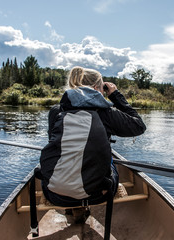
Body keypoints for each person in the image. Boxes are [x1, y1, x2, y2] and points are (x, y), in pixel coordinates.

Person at [40, 66, 146, 218]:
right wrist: (115, 95)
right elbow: (139, 126)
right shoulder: (105, 113)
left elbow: (54, 141)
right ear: (97, 88)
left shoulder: (57, 111)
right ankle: (83, 202)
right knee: (109, 161)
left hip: (55, 194)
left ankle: (74, 207)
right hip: (98, 194)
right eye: (103, 88)